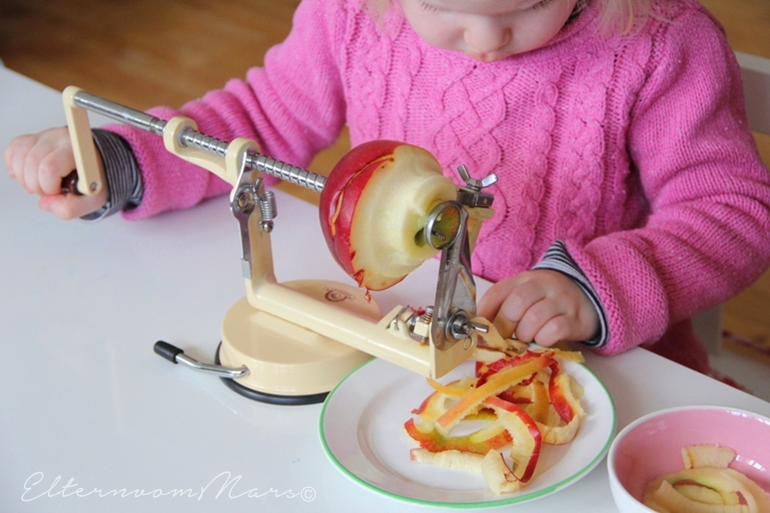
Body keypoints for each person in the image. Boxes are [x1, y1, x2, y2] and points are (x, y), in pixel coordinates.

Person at [5, 0, 770, 379]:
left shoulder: (660, 45)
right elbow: (257, 119)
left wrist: (598, 290)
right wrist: (129, 157)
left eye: (530, 5)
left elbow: (733, 210)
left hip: (597, 370)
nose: (486, 42)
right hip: (385, 352)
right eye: (445, 9)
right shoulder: (352, 13)